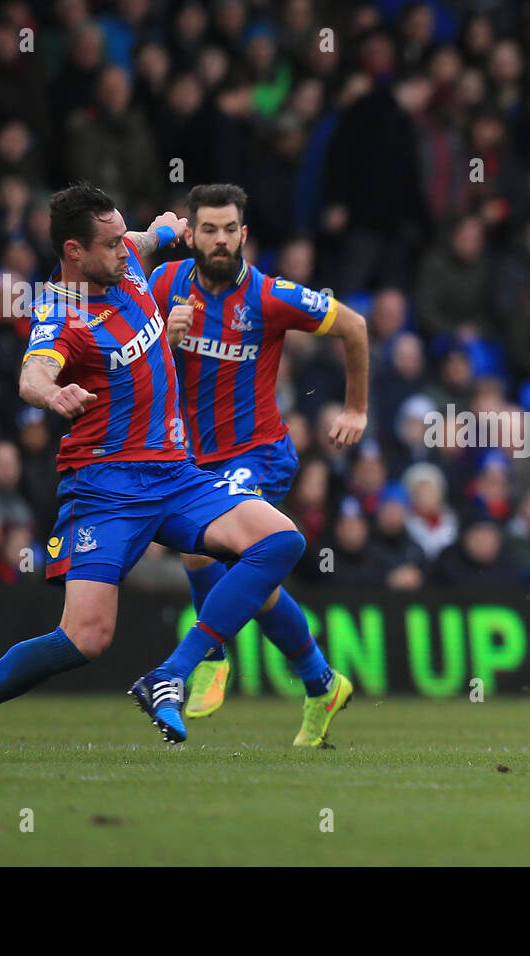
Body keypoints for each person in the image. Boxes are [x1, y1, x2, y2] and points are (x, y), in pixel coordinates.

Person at [0, 182, 351, 762]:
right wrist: (52, 395)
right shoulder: (60, 313)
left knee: (280, 541)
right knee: (83, 640)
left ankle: (170, 674)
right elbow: (33, 374)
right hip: (106, 492)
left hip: (176, 475)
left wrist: (171, 228)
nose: (127, 250)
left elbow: (157, 233)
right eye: (112, 243)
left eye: (126, 237)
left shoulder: (125, 261)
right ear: (75, 252)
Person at [148, 183, 368, 738]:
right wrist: (161, 338)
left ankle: (206, 661)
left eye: (229, 230)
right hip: (191, 457)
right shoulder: (164, 285)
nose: (220, 240)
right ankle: (321, 685)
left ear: (243, 235)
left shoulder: (269, 296)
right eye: (208, 230)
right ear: (192, 235)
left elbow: (355, 327)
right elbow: (130, 359)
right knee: (259, 584)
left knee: (202, 554)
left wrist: (357, 410)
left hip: (258, 453)